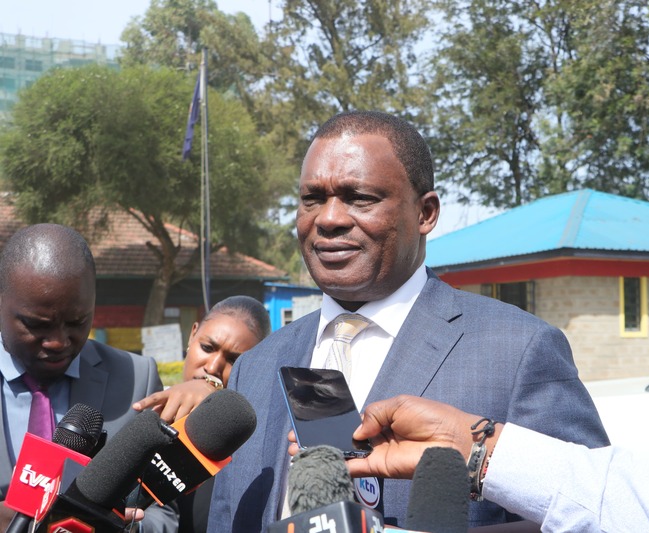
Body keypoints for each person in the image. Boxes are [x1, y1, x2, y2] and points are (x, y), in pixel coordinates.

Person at [208, 110, 609, 531]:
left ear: (426, 214)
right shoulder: (255, 366)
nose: (328, 219)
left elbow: (592, 515)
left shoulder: (518, 353)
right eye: (312, 198)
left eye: (359, 198)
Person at [343, 395, 649, 533]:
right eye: (311, 198)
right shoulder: (275, 351)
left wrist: (478, 449)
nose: (331, 218)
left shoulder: (524, 340)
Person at [0, 223, 177, 531]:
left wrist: (118, 527)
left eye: (77, 322)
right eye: (37, 324)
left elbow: (163, 512)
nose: (58, 341)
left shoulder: (137, 380)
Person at [132, 295, 270, 533]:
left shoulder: (255, 451)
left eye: (234, 360)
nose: (213, 367)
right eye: (207, 348)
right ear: (192, 335)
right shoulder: (143, 408)